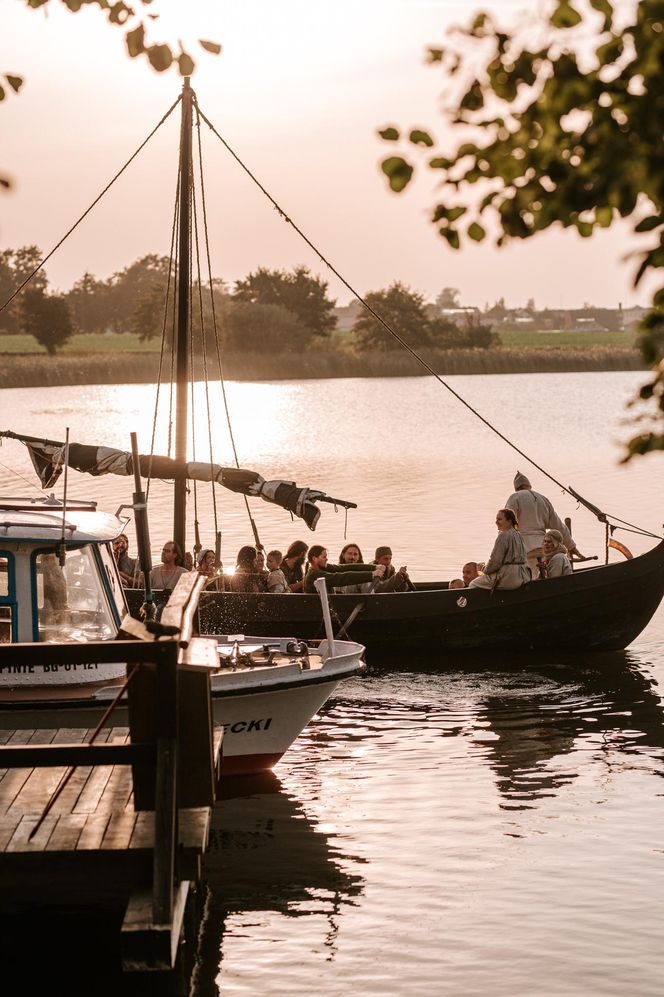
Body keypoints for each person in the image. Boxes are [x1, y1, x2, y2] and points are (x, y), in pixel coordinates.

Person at [506, 471, 584, 578]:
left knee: (530, 578)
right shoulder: (543, 499)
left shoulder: (514, 498)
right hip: (543, 548)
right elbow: (559, 526)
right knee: (541, 575)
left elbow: (506, 526)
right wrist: (571, 546)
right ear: (529, 486)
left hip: (525, 549)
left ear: (516, 488)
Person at [469, 509, 531, 591]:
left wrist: (483, 569)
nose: (496, 522)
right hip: (522, 576)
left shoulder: (503, 535)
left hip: (508, 578)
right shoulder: (519, 535)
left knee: (473, 584)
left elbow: (495, 562)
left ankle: (490, 603)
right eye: (496, 519)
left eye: (499, 519)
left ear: (509, 521)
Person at [304, 545, 385, 593]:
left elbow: (345, 567)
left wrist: (374, 567)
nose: (326, 559)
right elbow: (341, 578)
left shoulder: (323, 567)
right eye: (324, 557)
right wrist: (371, 575)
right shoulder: (314, 574)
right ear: (314, 558)